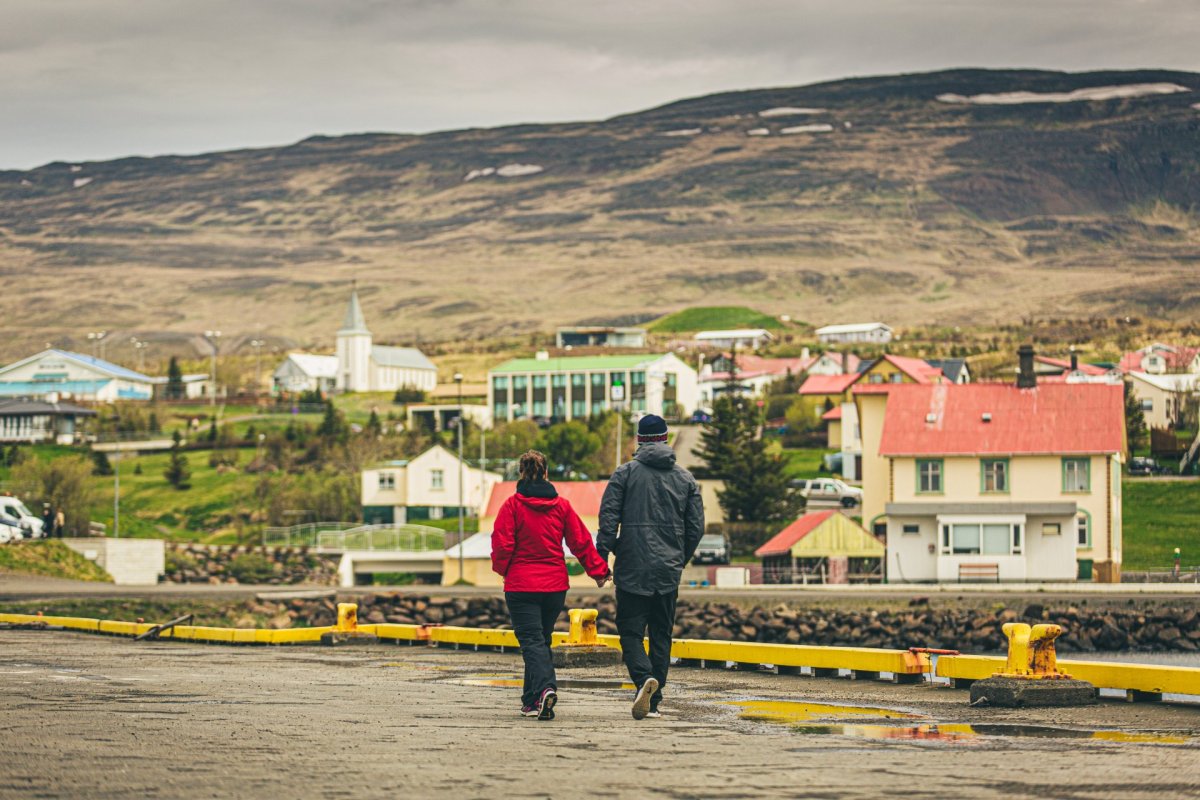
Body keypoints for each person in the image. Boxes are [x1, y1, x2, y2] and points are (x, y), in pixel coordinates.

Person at [597, 414, 704, 720]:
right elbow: (696, 528)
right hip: (667, 572)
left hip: (632, 568)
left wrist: (602, 557)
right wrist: (677, 560)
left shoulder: (625, 474)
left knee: (630, 633)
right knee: (661, 635)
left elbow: (608, 520)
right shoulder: (686, 479)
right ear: (666, 439)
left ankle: (644, 678)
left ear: (640, 441)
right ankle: (654, 702)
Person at [491, 450, 611, 721]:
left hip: (521, 586)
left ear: (521, 474)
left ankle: (546, 688)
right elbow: (580, 541)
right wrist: (599, 571)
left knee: (532, 642)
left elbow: (502, 545)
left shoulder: (511, 506)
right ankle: (531, 701)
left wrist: (503, 570)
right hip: (554, 586)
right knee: (540, 641)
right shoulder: (562, 506)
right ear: (546, 474)